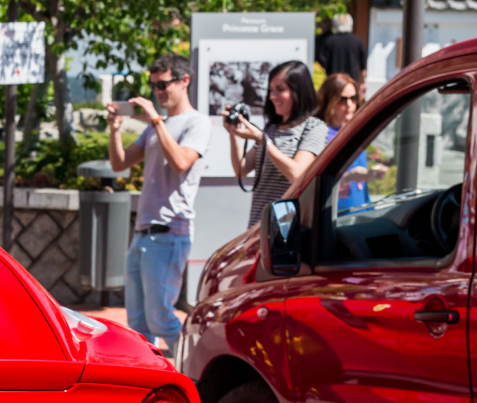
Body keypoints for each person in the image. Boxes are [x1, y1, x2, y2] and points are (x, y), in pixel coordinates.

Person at [106, 53, 211, 352]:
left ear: (184, 81)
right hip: (142, 233)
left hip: (169, 232)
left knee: (161, 318)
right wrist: (115, 130)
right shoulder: (157, 125)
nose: (158, 92)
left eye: (163, 85)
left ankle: (197, 369)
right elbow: (120, 164)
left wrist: (154, 118)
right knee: (138, 324)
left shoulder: (197, 123)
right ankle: (149, 378)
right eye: (154, 86)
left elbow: (180, 162)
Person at [226, 60, 328, 227]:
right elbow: (241, 170)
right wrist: (234, 133)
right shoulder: (271, 128)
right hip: (258, 226)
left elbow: (295, 174)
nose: (273, 97)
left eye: (280, 90)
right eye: (271, 90)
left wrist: (262, 140)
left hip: (286, 230)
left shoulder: (314, 127)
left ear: (300, 91)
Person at [317, 72, 384, 212]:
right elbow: (316, 185)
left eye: (353, 98)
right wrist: (348, 178)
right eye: (342, 99)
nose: (349, 104)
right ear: (329, 100)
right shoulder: (320, 135)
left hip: (359, 215)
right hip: (334, 217)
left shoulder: (355, 132)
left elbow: (363, 188)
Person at [316, 13, 367, 91]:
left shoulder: (329, 41)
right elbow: (363, 67)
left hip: (334, 83)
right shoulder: (357, 41)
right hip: (352, 84)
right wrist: (362, 83)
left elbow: (321, 64)